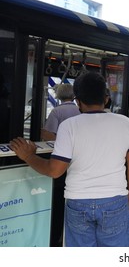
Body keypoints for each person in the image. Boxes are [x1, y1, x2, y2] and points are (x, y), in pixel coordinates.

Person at [10, 72, 129, 247]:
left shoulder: (69, 126)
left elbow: (54, 171)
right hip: (115, 201)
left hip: (78, 202)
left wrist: (28, 156)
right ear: (106, 99)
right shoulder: (125, 123)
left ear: (78, 101)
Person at [40, 83, 80, 246]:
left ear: (58, 96)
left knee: (57, 203)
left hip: (59, 163)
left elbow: (48, 136)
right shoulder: (80, 111)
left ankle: (55, 239)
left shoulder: (57, 111)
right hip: (76, 165)